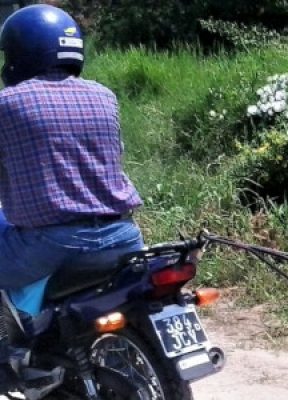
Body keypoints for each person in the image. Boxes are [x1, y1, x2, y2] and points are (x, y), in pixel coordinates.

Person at [0, 4, 144, 388]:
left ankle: (14, 356)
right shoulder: (103, 96)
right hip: (124, 237)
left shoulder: (7, 104)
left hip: (53, 245)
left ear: (18, 52)